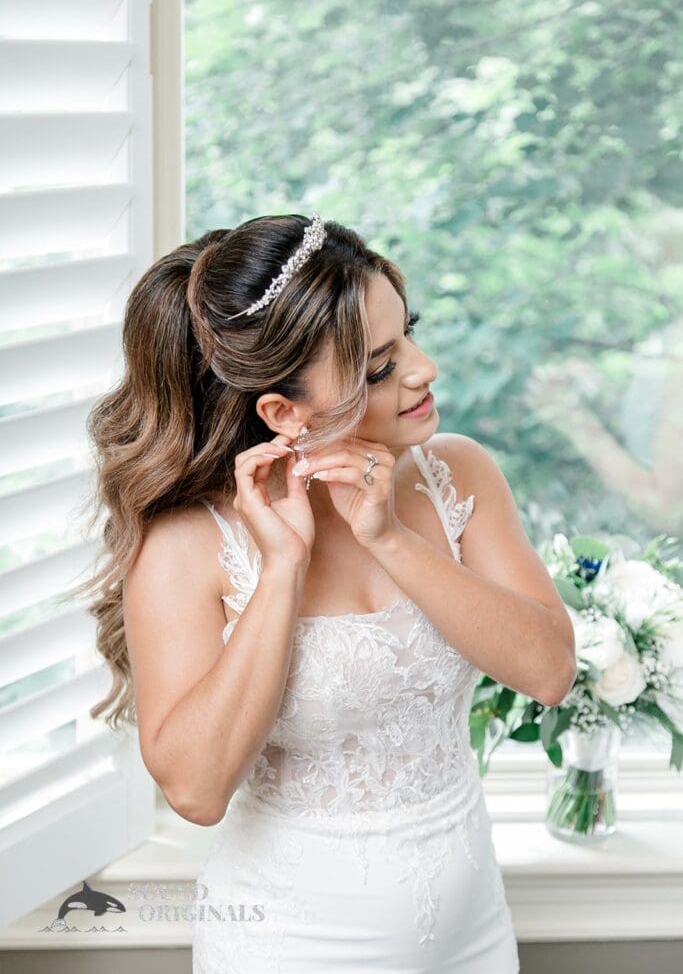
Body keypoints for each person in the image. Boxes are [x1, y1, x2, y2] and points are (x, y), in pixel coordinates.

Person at [84, 212, 575, 972]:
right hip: (290, 944)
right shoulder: (186, 543)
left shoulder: (459, 473)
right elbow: (196, 789)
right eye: (379, 367)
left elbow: (548, 670)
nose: (423, 368)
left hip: (473, 933)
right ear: (284, 413)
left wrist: (391, 539)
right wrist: (281, 569)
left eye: (407, 333)